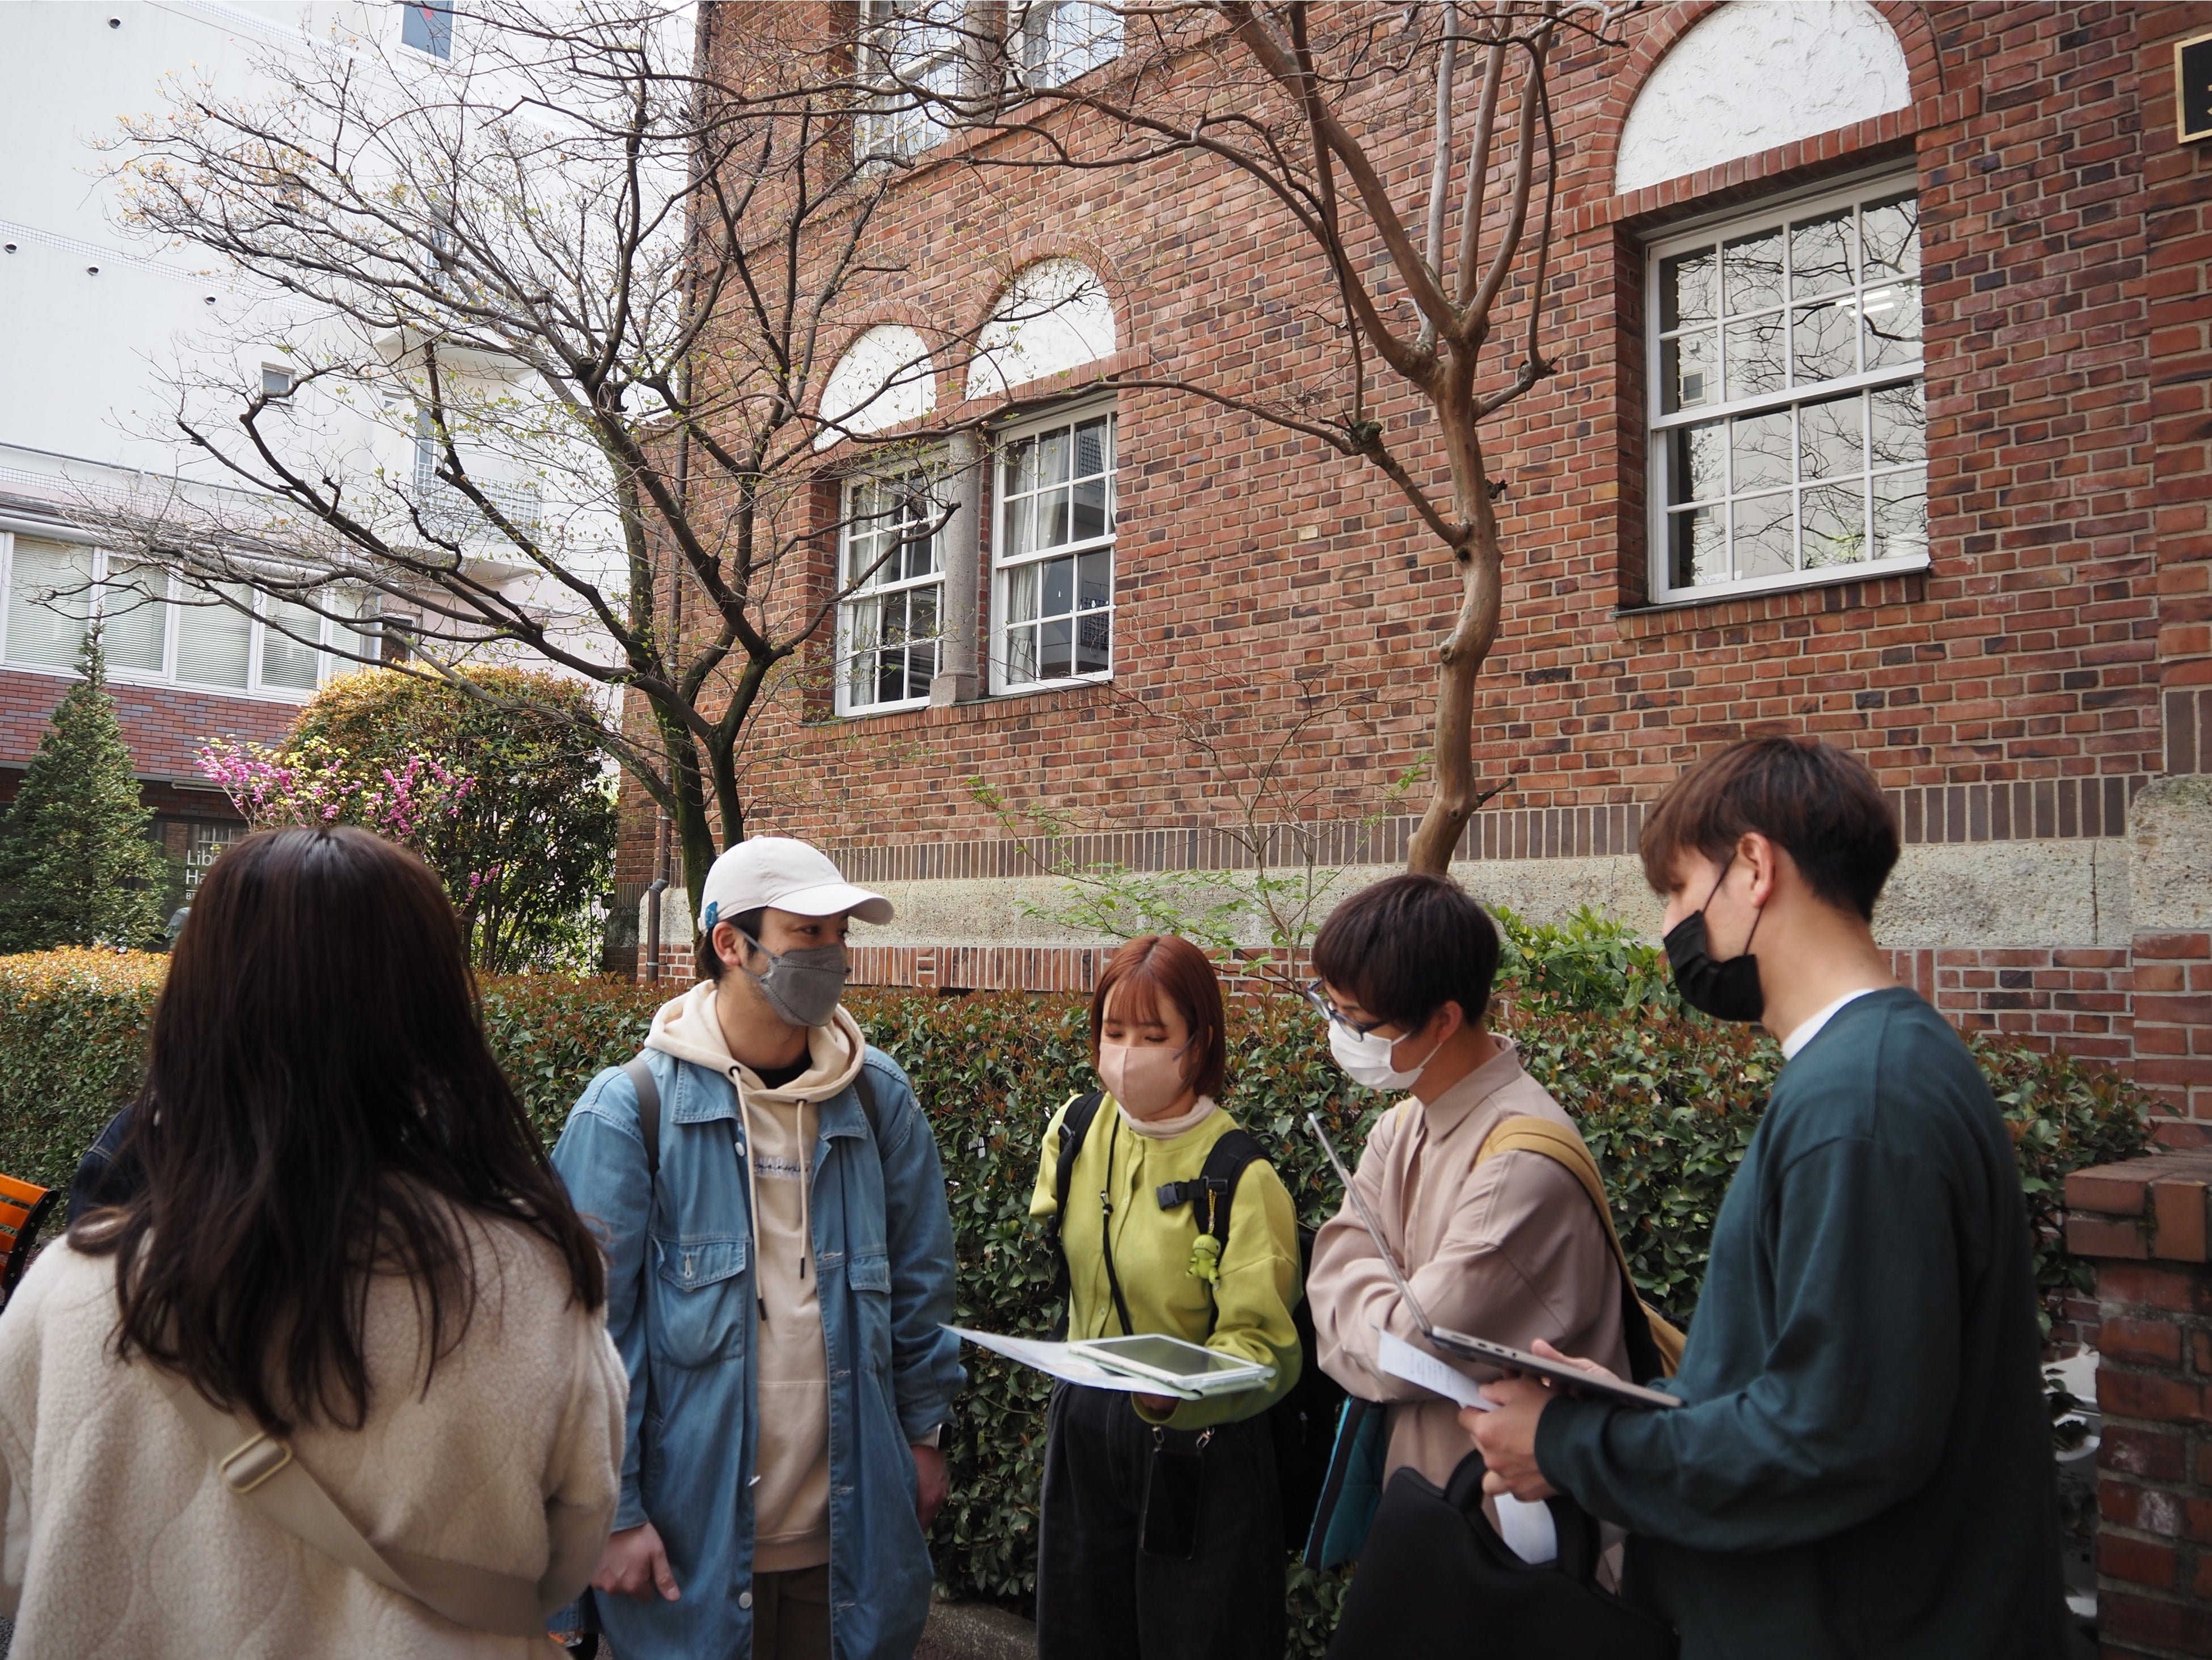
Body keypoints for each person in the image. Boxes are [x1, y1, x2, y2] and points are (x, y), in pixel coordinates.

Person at [1468, 736, 2068, 1658]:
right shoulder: (1871, 1073)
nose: (1670, 923)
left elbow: (1835, 1439)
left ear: (1754, 867)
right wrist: (1634, 1408)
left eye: (1676, 890)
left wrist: (1570, 1446)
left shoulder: (1861, 1105)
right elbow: (1807, 1382)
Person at [0, 826, 625, 1658]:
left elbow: (16, 1556)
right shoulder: (532, 1275)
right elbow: (567, 1552)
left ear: (197, 1003)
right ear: (434, 1011)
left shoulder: (73, 1288)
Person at [550, 837, 963, 1660]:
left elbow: (923, 1288)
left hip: (848, 1550)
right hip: (686, 1554)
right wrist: (614, 1513)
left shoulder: (879, 1100)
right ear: (730, 944)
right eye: (806, 932)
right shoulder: (628, 1113)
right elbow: (586, 1340)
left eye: (839, 933)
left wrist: (925, 1438)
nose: (832, 954)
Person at [1305, 872, 1629, 1493]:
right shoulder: (1402, 1125)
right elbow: (1328, 1276)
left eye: (1357, 1021)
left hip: (1506, 1530)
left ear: (1445, 1020)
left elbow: (1405, 1348)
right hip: (1426, 1498)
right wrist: (1382, 1304)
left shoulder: (1520, 1163)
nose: (1339, 1034)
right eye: (1331, 1009)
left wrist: (1372, 1300)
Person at [1029, 934, 1303, 1660]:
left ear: (1198, 1043)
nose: (1127, 1053)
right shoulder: (1076, 1129)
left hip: (1197, 1447)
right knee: (1079, 1633)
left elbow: (1267, 1349)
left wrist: (1182, 1394)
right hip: (1085, 1423)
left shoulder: (1242, 1175)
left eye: (1154, 1035)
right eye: (1113, 1031)